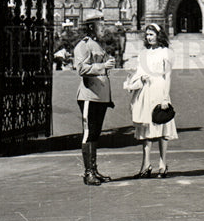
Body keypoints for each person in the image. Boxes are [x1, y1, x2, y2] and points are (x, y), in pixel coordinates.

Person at [124, 22, 177, 178]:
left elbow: (167, 76)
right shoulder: (144, 53)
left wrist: (165, 97)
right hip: (145, 90)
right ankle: (146, 164)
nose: (149, 37)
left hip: (159, 89)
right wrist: (138, 78)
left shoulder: (166, 52)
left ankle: (162, 164)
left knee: (161, 126)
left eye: (152, 34)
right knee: (146, 128)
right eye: (147, 35)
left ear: (158, 35)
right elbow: (139, 71)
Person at [74, 10, 116, 185]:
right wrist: (103, 66)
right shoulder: (83, 45)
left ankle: (94, 169)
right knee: (88, 133)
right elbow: (81, 69)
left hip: (100, 96)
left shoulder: (97, 45)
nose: (103, 28)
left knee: (95, 134)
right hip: (89, 96)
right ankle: (88, 172)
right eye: (101, 24)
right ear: (91, 27)